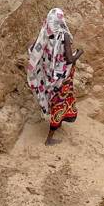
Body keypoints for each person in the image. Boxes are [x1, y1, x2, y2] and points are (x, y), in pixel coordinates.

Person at [26, 8, 83, 145]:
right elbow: (69, 59)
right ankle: (49, 139)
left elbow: (33, 49)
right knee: (59, 103)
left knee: (59, 100)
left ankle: (59, 124)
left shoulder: (45, 32)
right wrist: (79, 53)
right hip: (63, 77)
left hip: (50, 76)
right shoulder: (64, 36)